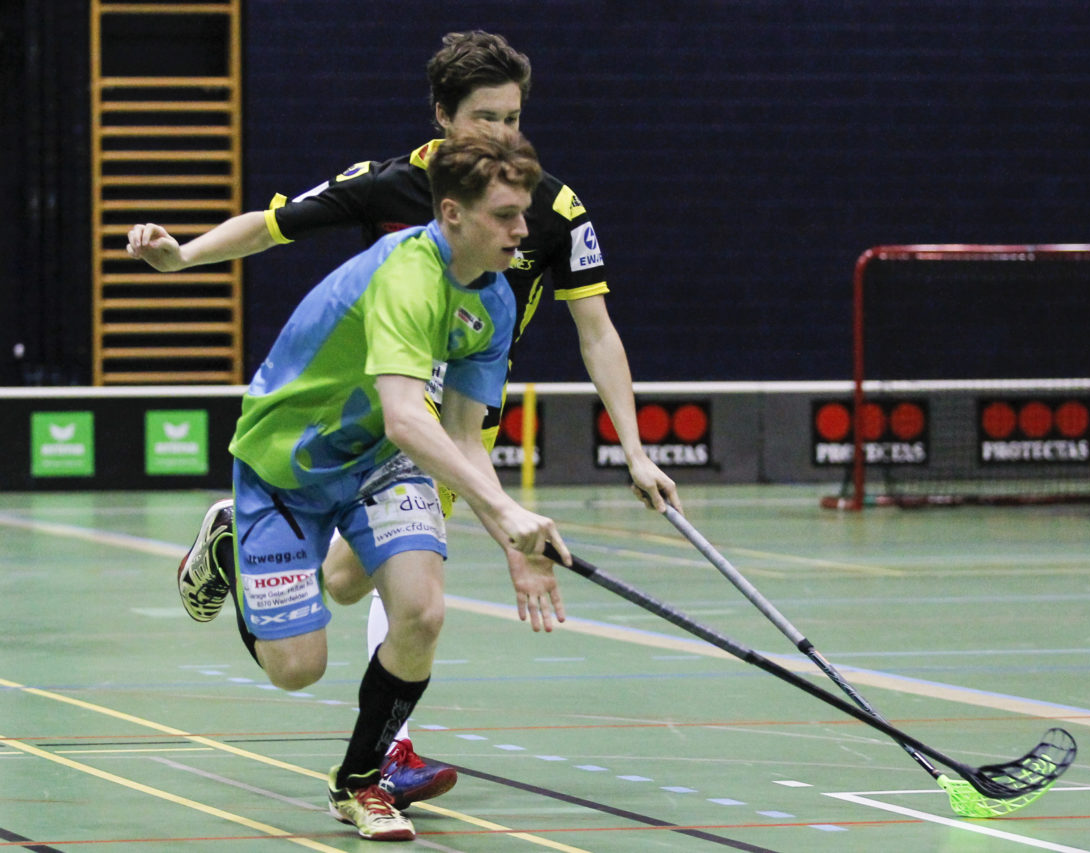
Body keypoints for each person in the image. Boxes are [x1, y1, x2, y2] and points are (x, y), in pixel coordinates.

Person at [127, 30, 681, 810]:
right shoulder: (394, 187)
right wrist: (183, 258)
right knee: (400, 607)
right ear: (442, 119)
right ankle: (383, 755)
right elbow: (271, 223)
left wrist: (634, 449)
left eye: (512, 118)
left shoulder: (545, 206)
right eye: (483, 118)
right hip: (381, 412)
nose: (500, 134)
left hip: (459, 418)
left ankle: (282, 605)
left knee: (356, 584)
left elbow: (598, 331)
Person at [179, 127, 564, 841]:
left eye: (524, 212)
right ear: (452, 213)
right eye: (506, 215)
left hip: (382, 461)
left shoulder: (497, 301)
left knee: (421, 612)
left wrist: (514, 535)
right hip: (287, 460)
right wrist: (503, 510)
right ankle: (232, 546)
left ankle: (360, 782)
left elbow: (458, 433)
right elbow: (403, 414)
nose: (523, 228)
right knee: (297, 668)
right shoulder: (408, 276)